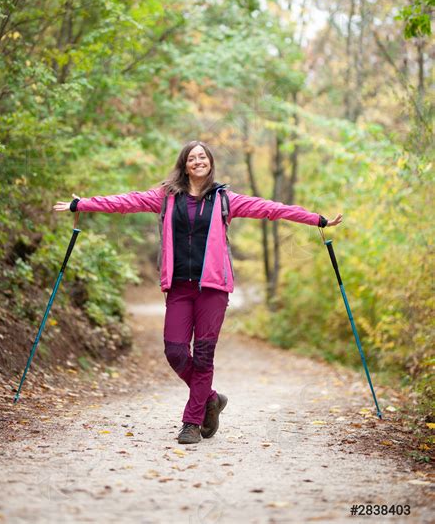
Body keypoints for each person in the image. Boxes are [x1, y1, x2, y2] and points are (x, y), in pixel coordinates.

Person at [53, 140, 343, 445]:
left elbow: (271, 209)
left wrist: (316, 219)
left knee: (203, 357)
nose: (198, 161)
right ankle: (211, 399)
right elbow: (126, 201)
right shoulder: (166, 197)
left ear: (210, 163)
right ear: (184, 164)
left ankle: (191, 423)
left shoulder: (225, 199)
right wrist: (81, 204)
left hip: (213, 289)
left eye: (203, 156)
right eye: (192, 157)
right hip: (179, 286)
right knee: (175, 351)